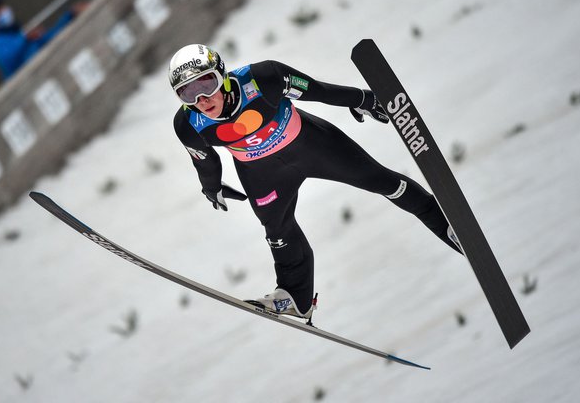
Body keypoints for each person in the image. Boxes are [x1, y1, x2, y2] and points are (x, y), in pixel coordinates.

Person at [169, 44, 462, 320]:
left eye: (205, 85)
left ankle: (448, 224)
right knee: (277, 231)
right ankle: (296, 298)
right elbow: (204, 161)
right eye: (187, 93)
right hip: (263, 175)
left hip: (314, 147)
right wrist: (212, 188)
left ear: (222, 75)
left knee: (382, 182)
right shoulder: (188, 125)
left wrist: (363, 99)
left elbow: (317, 90)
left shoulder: (263, 78)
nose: (201, 100)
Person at [0, 0, 82, 79]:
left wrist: (69, 15)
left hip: (48, 71)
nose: (3, 13)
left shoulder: (18, 31)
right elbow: (8, 59)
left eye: (2, 9)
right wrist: (24, 37)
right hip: (28, 83)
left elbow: (47, 38)